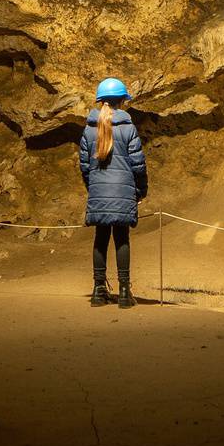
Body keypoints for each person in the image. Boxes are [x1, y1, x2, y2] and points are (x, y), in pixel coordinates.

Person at [79, 77, 148, 308]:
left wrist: (93, 188)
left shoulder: (89, 129)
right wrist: (141, 190)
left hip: (99, 189)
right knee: (121, 238)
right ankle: (125, 293)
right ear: (122, 100)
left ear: (100, 101)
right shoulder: (128, 127)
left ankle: (99, 291)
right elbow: (138, 163)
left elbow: (84, 165)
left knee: (100, 237)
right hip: (122, 190)